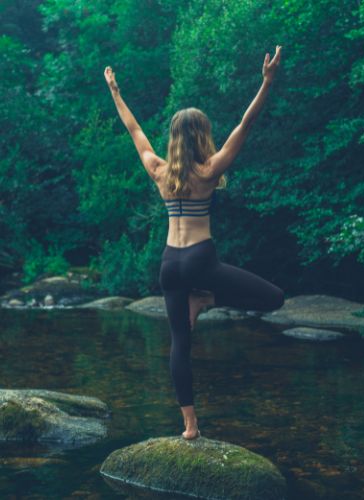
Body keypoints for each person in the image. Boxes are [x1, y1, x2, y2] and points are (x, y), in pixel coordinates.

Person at [104, 45, 284, 440]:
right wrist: (266, 81)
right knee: (274, 299)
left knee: (179, 344)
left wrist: (116, 93)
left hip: (170, 263)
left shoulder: (158, 170)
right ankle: (208, 300)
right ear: (202, 135)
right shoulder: (209, 169)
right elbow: (245, 124)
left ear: (172, 138)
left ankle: (189, 426)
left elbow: (134, 131)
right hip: (202, 260)